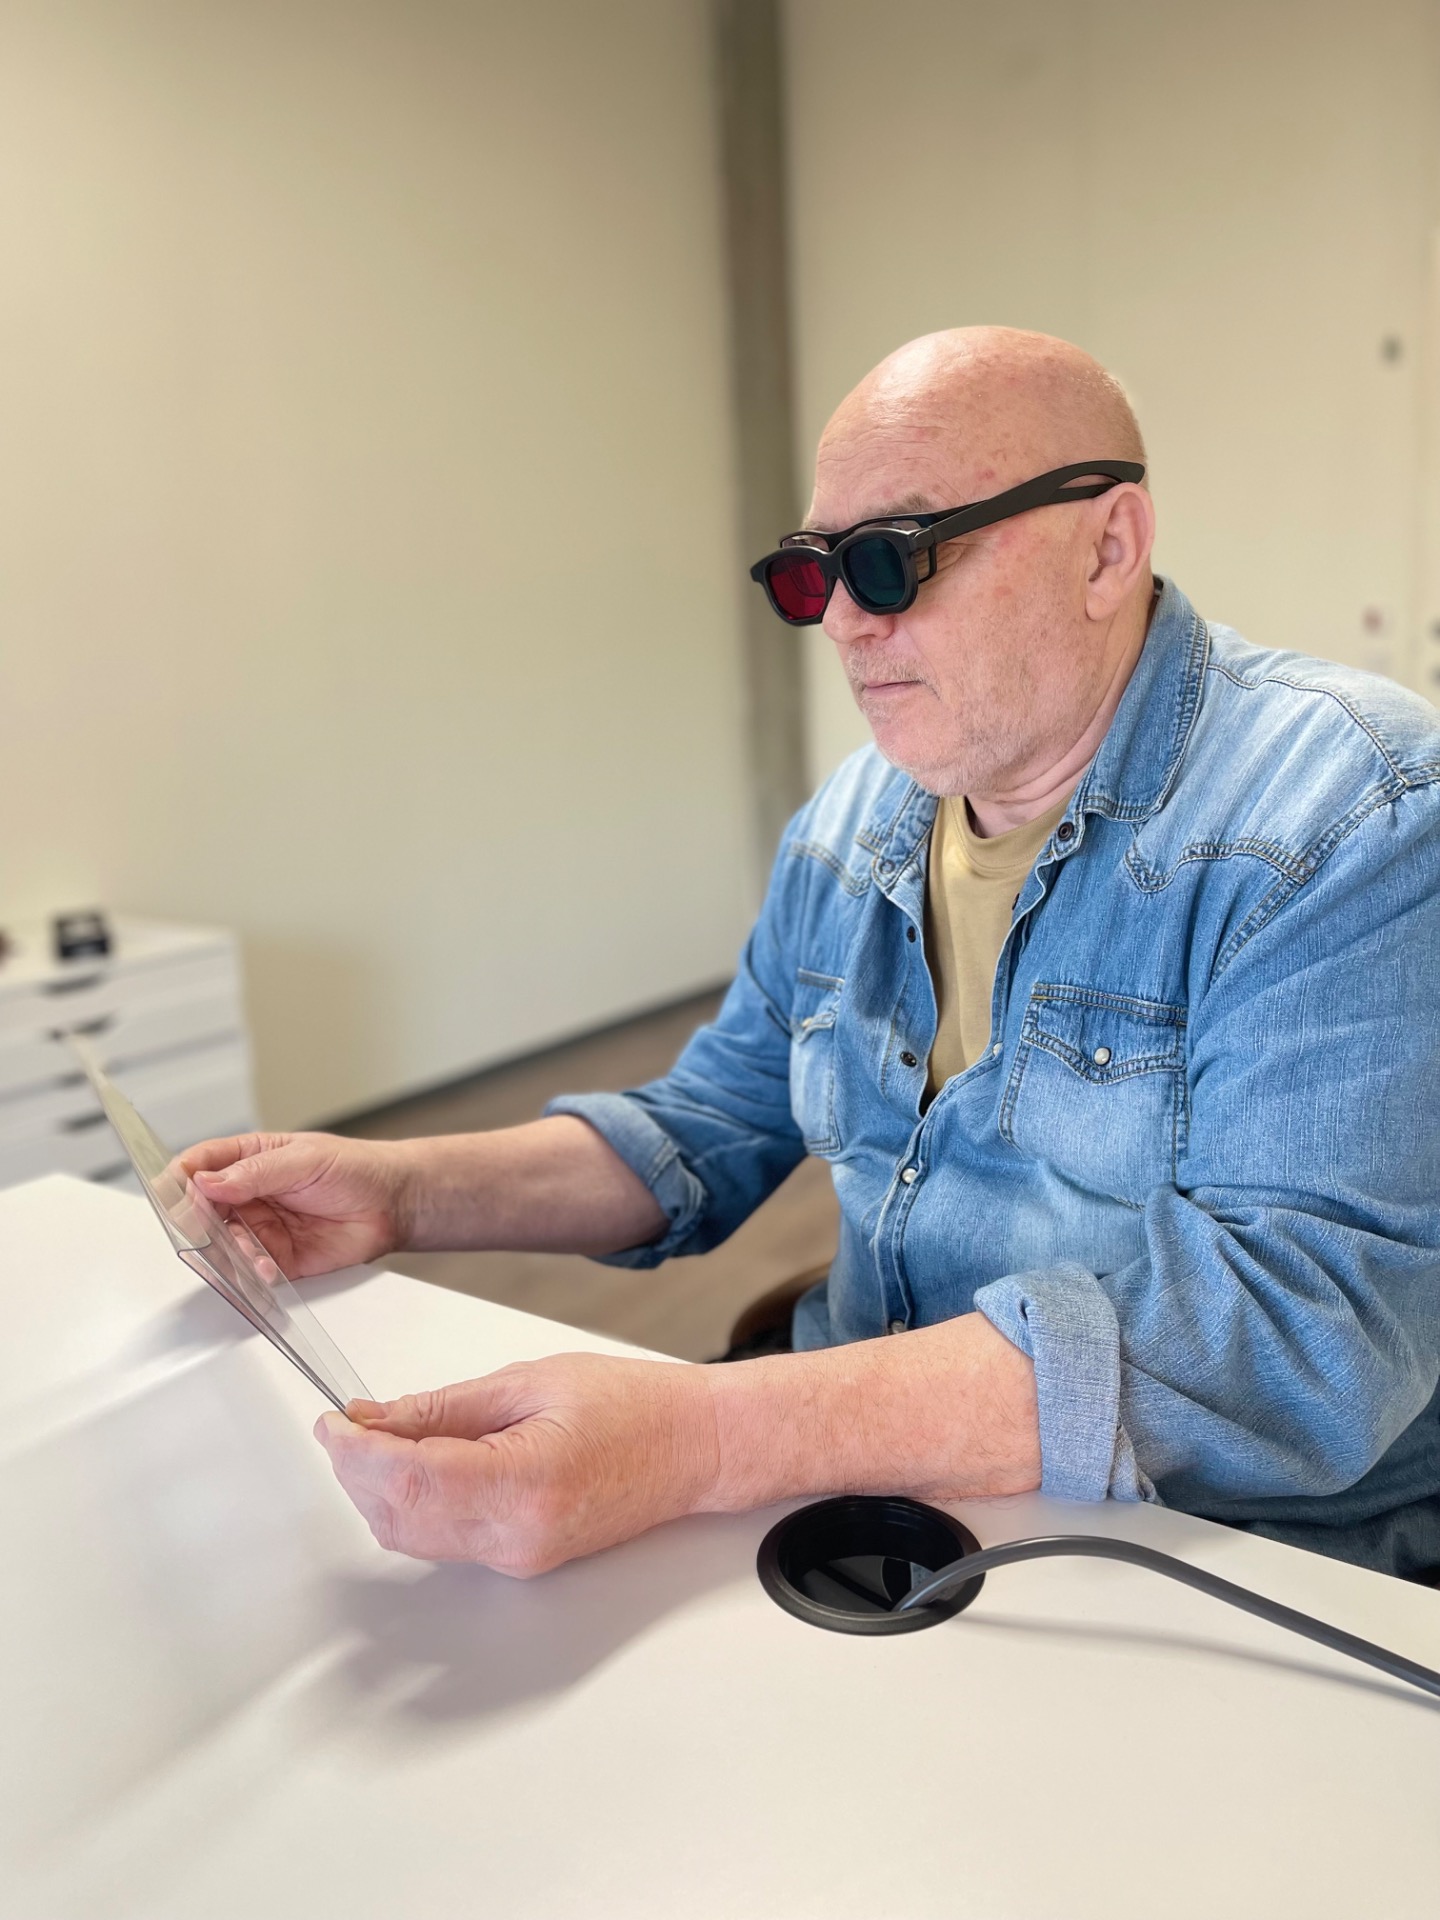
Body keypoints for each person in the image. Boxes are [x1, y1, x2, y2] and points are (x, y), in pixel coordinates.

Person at [182, 327, 1440, 1583]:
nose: (839, 621)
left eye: (893, 559)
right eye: (810, 574)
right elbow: (711, 1121)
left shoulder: (1351, 816)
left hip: (1201, 1554)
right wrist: (400, 1193)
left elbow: (1296, 1334)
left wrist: (700, 1438)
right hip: (861, 1489)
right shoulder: (855, 822)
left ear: (1108, 546)